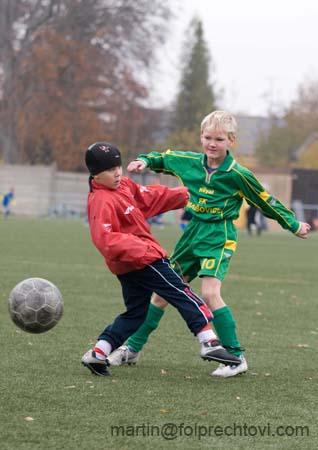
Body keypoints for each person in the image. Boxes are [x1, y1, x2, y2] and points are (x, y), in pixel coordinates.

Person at [108, 110, 311, 378]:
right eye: (207, 137)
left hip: (219, 235)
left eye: (219, 139)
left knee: (210, 293)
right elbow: (165, 158)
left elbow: (265, 200)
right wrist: (144, 161)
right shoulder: (189, 162)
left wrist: (293, 224)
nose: (212, 144)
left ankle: (236, 358)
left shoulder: (238, 174)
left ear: (231, 141)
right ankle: (133, 347)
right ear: (201, 137)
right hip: (193, 233)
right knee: (162, 293)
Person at [81, 141, 241, 377]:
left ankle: (99, 352)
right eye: (109, 170)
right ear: (95, 174)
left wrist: (187, 194)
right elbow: (105, 239)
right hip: (142, 260)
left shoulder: (123, 186)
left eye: (118, 166)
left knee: (137, 313)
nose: (117, 173)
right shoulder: (101, 200)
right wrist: (144, 249)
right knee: (180, 291)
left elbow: (149, 197)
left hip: (133, 263)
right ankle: (209, 342)